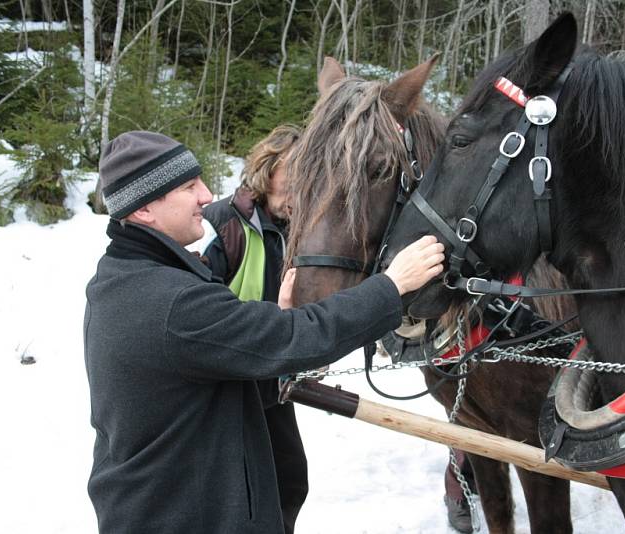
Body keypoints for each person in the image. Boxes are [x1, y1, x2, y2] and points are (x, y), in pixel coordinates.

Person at [83, 130, 445, 534]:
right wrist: (392, 286)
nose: (206, 195)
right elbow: (299, 336)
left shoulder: (123, 277)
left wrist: (272, 345)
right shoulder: (169, 301)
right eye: (188, 187)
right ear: (145, 209)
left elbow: (195, 384)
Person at [202, 124, 306, 533]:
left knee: (290, 481)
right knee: (239, 497)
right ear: (266, 171)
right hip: (225, 384)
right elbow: (195, 307)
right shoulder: (221, 223)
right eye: (291, 175)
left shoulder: (298, 228)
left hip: (272, 380)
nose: (299, 188)